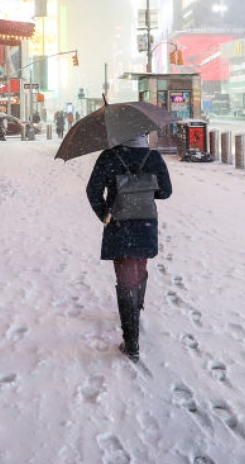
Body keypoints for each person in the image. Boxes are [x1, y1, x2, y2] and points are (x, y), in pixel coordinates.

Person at [85, 133, 173, 362]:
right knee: (140, 267)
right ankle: (137, 309)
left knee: (125, 278)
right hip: (144, 223)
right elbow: (165, 192)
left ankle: (131, 340)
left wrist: (105, 214)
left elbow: (92, 190)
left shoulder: (108, 156)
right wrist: (143, 188)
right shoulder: (152, 157)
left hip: (120, 225)